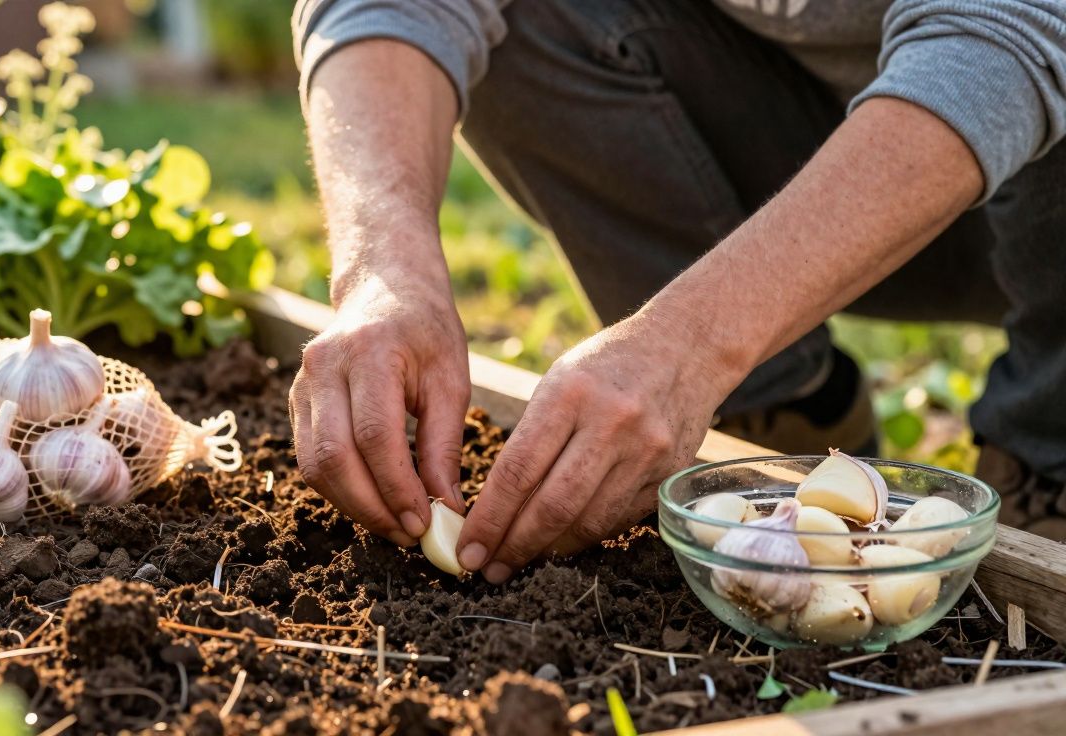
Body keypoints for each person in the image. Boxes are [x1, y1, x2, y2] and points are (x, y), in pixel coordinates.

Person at [287, 0, 1066, 583]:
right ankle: (776, 409)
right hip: (819, 151)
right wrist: (382, 273)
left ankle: (1047, 463)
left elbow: (1016, 33)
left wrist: (690, 342)